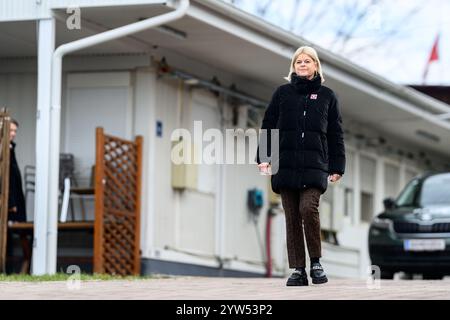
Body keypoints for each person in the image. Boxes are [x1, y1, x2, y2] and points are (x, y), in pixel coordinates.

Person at [256, 46, 345, 286]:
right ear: (293, 66)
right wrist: (264, 157)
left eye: (307, 61)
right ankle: (298, 269)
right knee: (292, 217)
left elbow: (335, 133)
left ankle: (316, 262)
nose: (302, 64)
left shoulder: (327, 96)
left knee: (308, 208)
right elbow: (269, 125)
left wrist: (337, 165)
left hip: (315, 166)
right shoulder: (282, 94)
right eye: (298, 61)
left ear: (316, 65)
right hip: (285, 166)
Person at [7, 119, 32, 274]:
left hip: (16, 199)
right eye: (11, 130)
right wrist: (11, 203)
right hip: (10, 201)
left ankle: (24, 266)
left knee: (21, 231)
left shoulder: (10, 148)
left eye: (15, 131)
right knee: (12, 232)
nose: (14, 134)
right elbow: (5, 179)